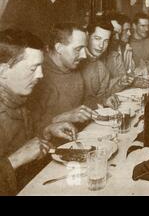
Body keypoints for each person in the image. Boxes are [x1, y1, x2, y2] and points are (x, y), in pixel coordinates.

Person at [0, 29, 77, 195]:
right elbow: (19, 155)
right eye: (33, 68)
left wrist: (47, 131)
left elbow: (25, 143)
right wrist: (15, 160)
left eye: (41, 67)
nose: (40, 75)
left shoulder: (18, 101)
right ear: (3, 71)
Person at [27, 23, 97, 130]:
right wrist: (64, 117)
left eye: (84, 49)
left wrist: (103, 100)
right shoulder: (36, 75)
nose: (84, 55)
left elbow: (86, 101)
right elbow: (29, 128)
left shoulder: (74, 66)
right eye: (78, 49)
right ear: (59, 48)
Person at [80, 18, 133, 108]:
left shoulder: (101, 67)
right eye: (97, 38)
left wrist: (119, 84)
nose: (101, 45)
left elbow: (102, 95)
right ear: (87, 36)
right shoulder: (75, 61)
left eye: (106, 41)